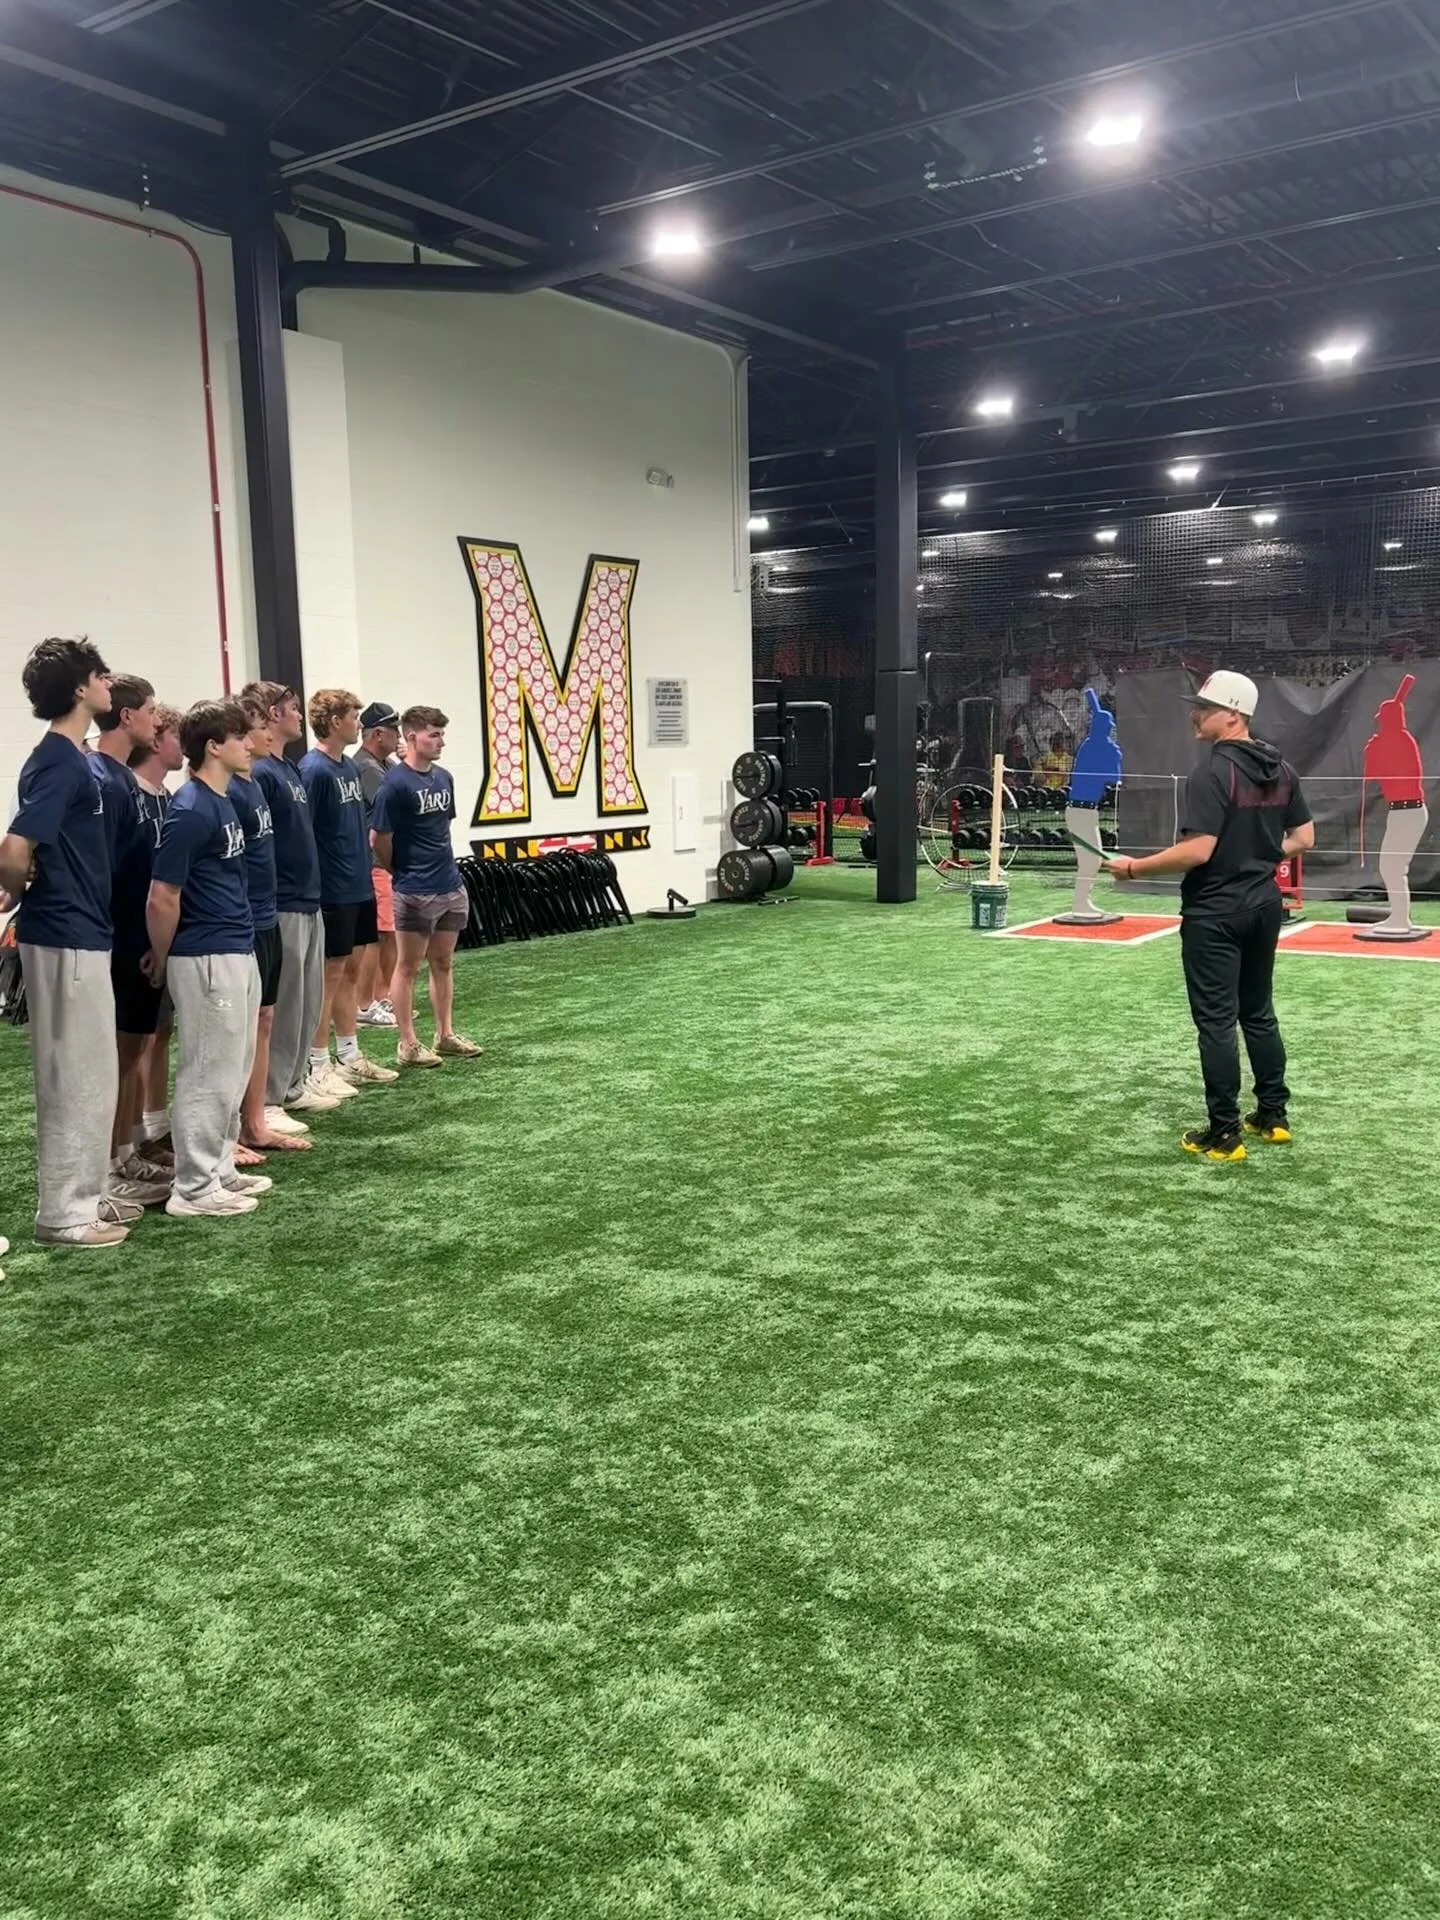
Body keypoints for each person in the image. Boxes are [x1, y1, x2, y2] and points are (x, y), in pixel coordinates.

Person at [1107, 670, 1314, 1162]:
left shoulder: (1213, 772)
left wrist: (1133, 868)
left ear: (1232, 715)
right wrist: (1260, 856)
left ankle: (1224, 1132)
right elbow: (1303, 838)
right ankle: (1272, 1115)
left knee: (1217, 1023)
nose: (1193, 714)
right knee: (1258, 1013)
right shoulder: (1281, 769)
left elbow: (1197, 851)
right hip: (1265, 905)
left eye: (1203, 707)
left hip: (1215, 911)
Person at [0, 638, 140, 1247]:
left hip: (84, 928)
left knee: (94, 1071)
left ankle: (87, 1192)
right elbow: (13, 849)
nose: (110, 681)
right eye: (100, 674)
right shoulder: (56, 759)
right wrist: (16, 887)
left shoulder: (78, 758)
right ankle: (62, 1212)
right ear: (82, 689)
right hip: (61, 931)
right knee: (72, 1074)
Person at [146, 700, 270, 1218]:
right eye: (239, 736)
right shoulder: (191, 808)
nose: (249, 744)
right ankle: (193, 1188)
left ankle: (219, 1168)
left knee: (232, 1066)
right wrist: (160, 955)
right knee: (206, 1069)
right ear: (213, 746)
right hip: (205, 953)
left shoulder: (222, 801)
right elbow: (162, 895)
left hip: (236, 946)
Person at [88, 672, 172, 1208]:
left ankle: (124, 1150)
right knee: (117, 1054)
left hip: (134, 934)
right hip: (115, 937)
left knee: (135, 1047)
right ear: (127, 717)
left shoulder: (121, 781)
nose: (155, 719)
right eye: (149, 710)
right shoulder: (102, 778)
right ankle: (109, 1160)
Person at [244, 681, 339, 1122]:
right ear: (270, 714)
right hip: (282, 901)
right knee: (281, 1004)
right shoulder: (263, 772)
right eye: (291, 709)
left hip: (308, 898)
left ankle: (294, 1082)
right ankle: (270, 1095)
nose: (298, 716)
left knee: (306, 1001)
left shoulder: (290, 769)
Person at [371, 705, 482, 1068]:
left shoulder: (444, 778)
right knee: (407, 966)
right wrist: (400, 872)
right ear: (412, 736)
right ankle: (407, 1043)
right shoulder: (394, 784)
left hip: (449, 884)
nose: (441, 742)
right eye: (434, 735)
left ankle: (444, 1034)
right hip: (414, 889)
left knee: (444, 963)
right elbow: (379, 839)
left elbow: (442, 829)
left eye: (441, 734)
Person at [299, 689, 397, 1094]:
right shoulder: (314, 769)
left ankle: (349, 1053)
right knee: (330, 974)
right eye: (354, 716)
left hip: (358, 881)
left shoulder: (347, 770)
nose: (358, 723)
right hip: (332, 888)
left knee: (353, 971)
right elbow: (306, 834)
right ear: (335, 721)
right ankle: (318, 1062)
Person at [232, 692, 310, 1156]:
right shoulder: (229, 791)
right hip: (248, 920)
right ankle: (238, 1125)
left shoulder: (259, 781)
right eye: (248, 729)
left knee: (264, 1017)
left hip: (268, 912)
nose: (258, 736)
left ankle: (258, 1117)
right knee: (239, 1029)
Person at [130, 703, 184, 1155]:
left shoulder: (167, 798)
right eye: (177, 738)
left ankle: (154, 1120)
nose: (181, 747)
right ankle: (132, 1134)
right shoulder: (130, 794)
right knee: (137, 1037)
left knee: (160, 1030)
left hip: (161, 934)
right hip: (133, 935)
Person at [352, 700, 401, 1028]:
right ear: (378, 733)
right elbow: (395, 806)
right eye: (395, 730)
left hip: (379, 862)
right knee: (380, 934)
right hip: (377, 862)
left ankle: (381, 997)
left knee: (386, 933)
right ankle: (369, 1001)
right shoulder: (368, 767)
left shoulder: (381, 763)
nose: (399, 736)